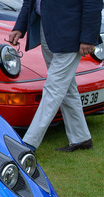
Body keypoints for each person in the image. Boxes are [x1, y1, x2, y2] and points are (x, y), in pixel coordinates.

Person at [7, 0, 102, 152]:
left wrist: (88, 38)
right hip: (47, 33)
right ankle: (81, 138)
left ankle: (28, 144)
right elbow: (29, 3)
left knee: (53, 89)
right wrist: (19, 27)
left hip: (72, 36)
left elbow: (93, 5)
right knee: (66, 88)